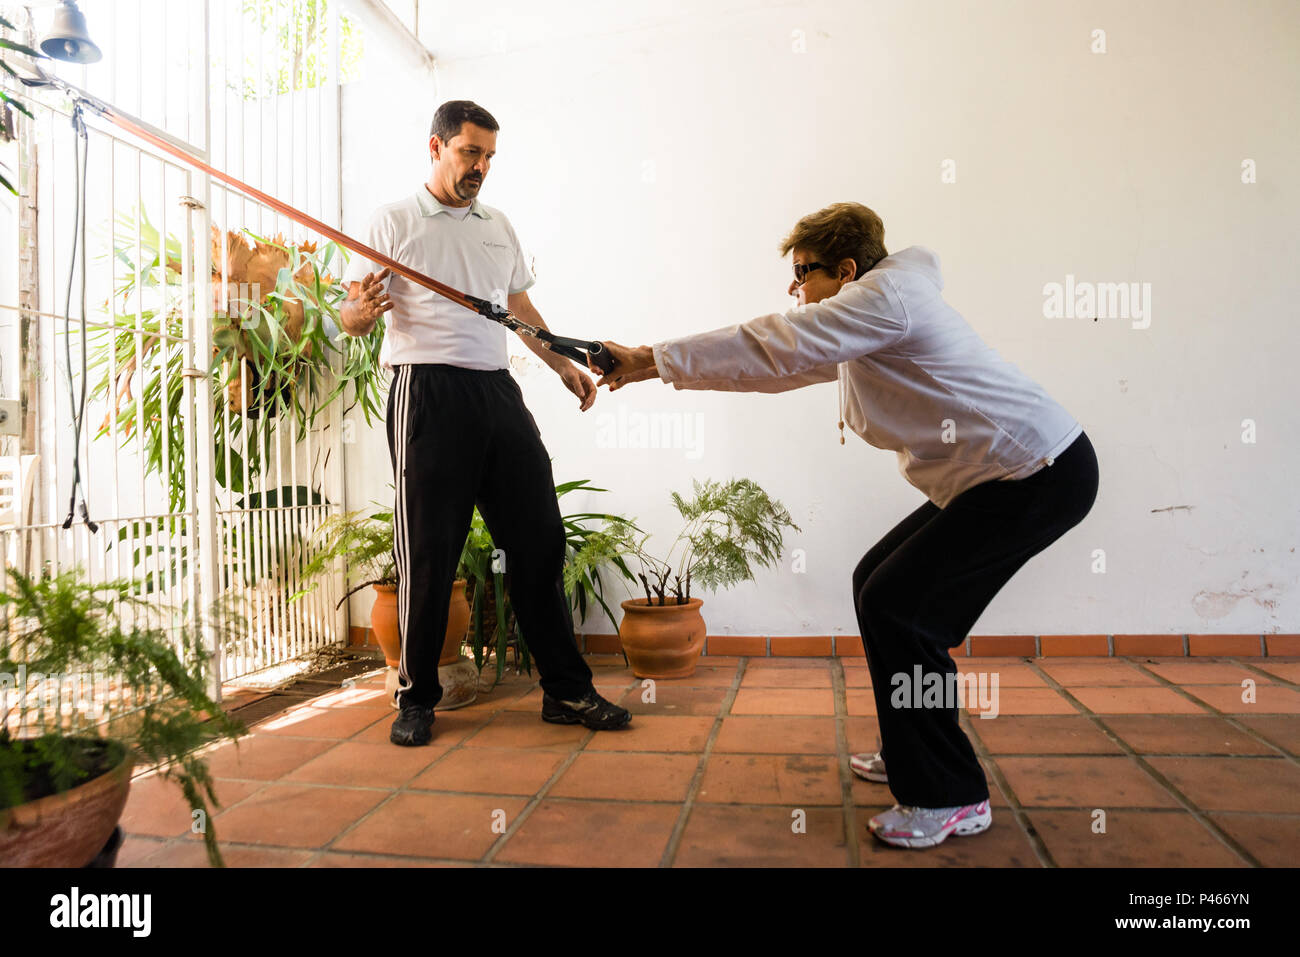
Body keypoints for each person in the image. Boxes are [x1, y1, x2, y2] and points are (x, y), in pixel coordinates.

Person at [588, 202, 1098, 848]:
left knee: (903, 608)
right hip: (1002, 474)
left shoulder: (885, 300)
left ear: (848, 269)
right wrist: (655, 369)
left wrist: (648, 356)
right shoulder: (875, 313)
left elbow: (774, 341)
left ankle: (950, 794)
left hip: (1037, 474)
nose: (796, 290)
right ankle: (911, 747)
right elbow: (780, 366)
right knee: (877, 584)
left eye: (804, 273)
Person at [340, 100, 632, 746]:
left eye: (489, 157)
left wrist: (560, 366)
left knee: (539, 537)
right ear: (436, 147)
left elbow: (520, 308)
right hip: (427, 387)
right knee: (429, 552)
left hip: (496, 390)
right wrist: (360, 314)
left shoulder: (498, 224)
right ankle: (416, 695)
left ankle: (565, 687)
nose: (481, 167)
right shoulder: (392, 221)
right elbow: (352, 312)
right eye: (471, 152)